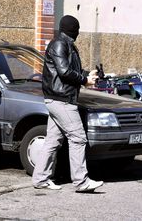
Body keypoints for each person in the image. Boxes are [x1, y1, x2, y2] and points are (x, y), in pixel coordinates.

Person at [32, 15, 103, 193]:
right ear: (72, 29)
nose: (77, 31)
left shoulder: (66, 44)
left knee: (53, 141)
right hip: (61, 99)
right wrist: (84, 80)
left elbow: (72, 70)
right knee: (78, 138)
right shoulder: (60, 44)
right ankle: (81, 181)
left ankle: (41, 178)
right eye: (76, 28)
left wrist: (89, 75)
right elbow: (64, 72)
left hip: (58, 98)